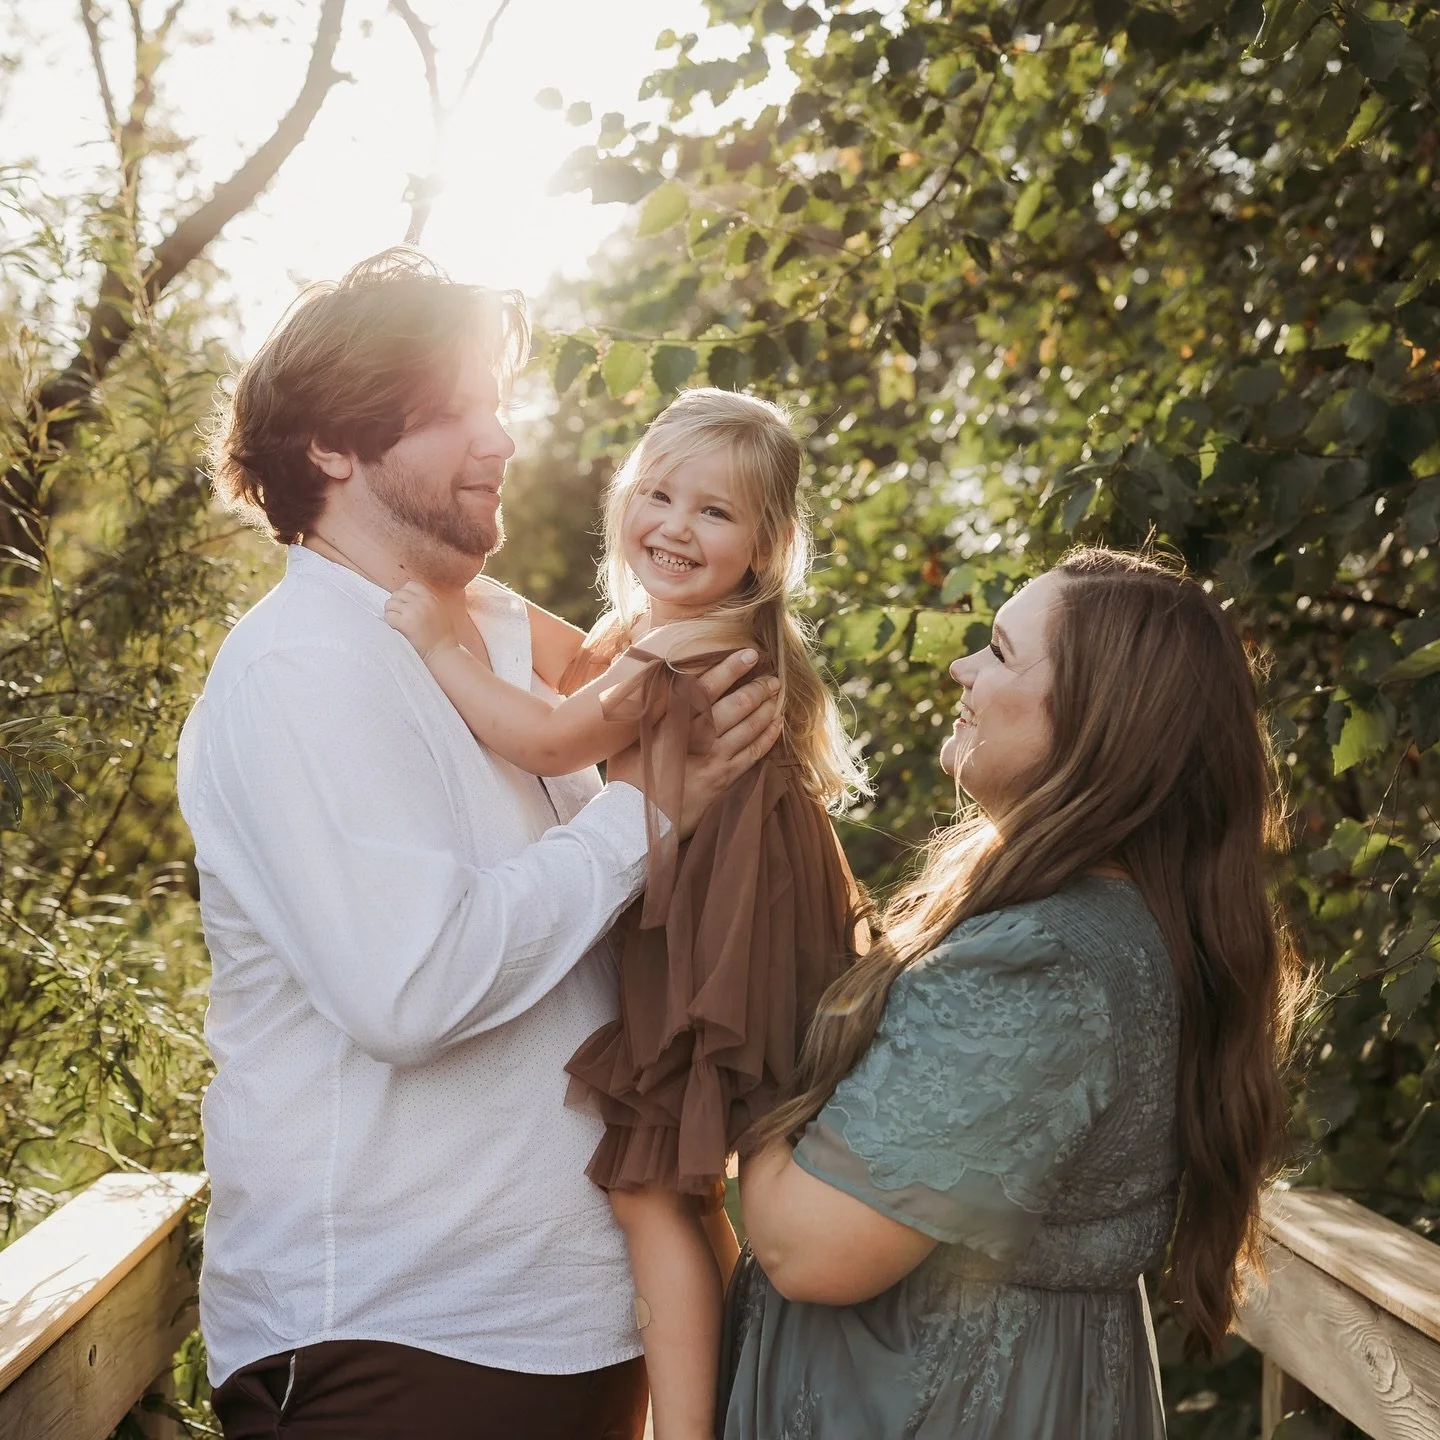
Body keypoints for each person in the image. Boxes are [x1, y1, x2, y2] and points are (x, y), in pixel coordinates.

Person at [175, 249, 783, 1440]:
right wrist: (651, 812)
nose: (501, 438)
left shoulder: (494, 634)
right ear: (332, 448)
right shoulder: (305, 667)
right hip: (399, 1349)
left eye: (497, 404)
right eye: (456, 408)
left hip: (577, 1338)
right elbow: (412, 986)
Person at [718, 547, 1308, 1439]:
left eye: (997, 650)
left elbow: (810, 1250)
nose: (960, 667)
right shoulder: (1099, 923)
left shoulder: (1040, 965)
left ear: (1095, 722)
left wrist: (734, 1055)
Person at [384, 388, 871, 1440]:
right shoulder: (665, 632)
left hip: (712, 927)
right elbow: (573, 662)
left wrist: (437, 646)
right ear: (623, 497)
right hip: (739, 916)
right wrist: (482, 602)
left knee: (652, 1187)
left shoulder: (682, 647)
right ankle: (741, 1411)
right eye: (657, 493)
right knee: (689, 1188)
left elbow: (552, 735)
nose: (674, 525)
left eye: (714, 512)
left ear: (769, 544)